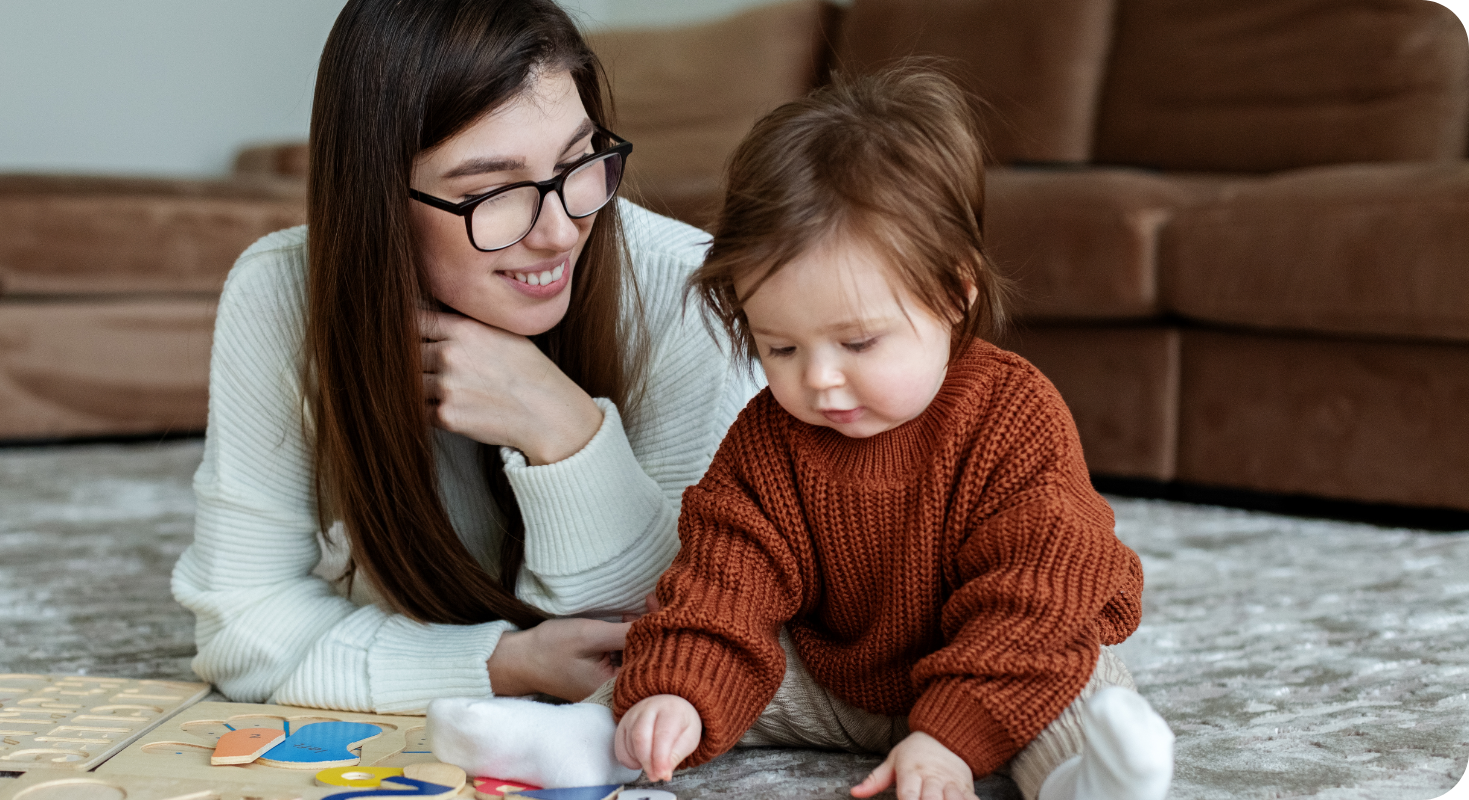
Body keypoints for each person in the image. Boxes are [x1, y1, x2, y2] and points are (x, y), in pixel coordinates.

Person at [430, 65, 1174, 800]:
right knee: (695, 665)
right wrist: (676, 696)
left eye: (857, 344)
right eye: (780, 347)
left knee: (1077, 678)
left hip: (989, 665)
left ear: (954, 291)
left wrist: (949, 739)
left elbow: (1036, 594)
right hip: (840, 683)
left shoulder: (1012, 415)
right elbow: (726, 584)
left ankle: (1089, 785)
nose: (817, 380)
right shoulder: (769, 440)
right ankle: (586, 743)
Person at [170, 0, 759, 716]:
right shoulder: (282, 291)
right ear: (379, 196)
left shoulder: (687, 290)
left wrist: (564, 432)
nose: (560, 231)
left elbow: (670, 643)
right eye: (492, 193)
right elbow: (242, 626)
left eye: (578, 162)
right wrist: (502, 664)